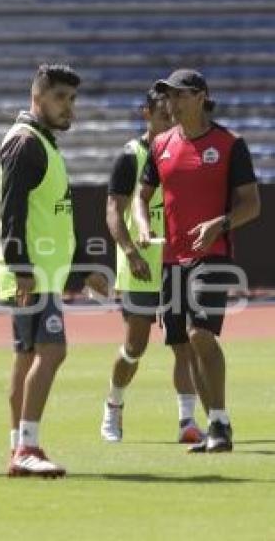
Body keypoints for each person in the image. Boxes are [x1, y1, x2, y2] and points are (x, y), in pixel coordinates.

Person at [135, 68, 260, 453]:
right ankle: (216, 429)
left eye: (180, 95)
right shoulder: (161, 146)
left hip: (213, 255)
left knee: (200, 334)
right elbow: (141, 195)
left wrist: (219, 224)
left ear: (202, 96)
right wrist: (141, 226)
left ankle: (220, 421)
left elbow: (252, 205)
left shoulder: (229, 144)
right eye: (168, 97)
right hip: (172, 259)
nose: (171, 104)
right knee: (183, 346)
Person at [100, 87, 208, 444]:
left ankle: (186, 422)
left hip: (175, 263)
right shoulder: (130, 157)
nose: (171, 121)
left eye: (173, 116)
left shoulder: (179, 151)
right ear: (146, 114)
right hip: (140, 267)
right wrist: (130, 252)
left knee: (183, 344)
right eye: (164, 116)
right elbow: (114, 210)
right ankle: (113, 406)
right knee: (135, 347)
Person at [0, 63, 83, 478]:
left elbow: (52, 215)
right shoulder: (26, 143)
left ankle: (18, 447)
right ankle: (27, 446)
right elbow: (10, 209)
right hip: (33, 273)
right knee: (52, 351)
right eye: (61, 98)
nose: (69, 108)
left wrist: (80, 270)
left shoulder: (40, 142)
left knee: (26, 356)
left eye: (72, 99)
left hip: (43, 272)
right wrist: (20, 266)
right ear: (38, 98)